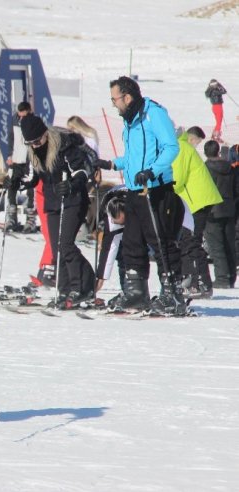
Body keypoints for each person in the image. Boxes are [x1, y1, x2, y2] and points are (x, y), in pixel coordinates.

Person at [94, 76, 185, 315]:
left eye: (115, 99)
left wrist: (152, 171)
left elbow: (171, 147)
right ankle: (136, 292)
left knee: (159, 240)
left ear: (128, 96)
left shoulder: (153, 114)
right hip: (135, 190)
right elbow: (133, 157)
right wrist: (112, 164)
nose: (114, 104)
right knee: (132, 241)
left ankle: (172, 293)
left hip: (155, 189)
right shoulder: (130, 121)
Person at [19, 114, 95, 308]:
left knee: (66, 244)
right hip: (53, 202)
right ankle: (64, 289)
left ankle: (82, 286)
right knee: (56, 247)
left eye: (37, 141)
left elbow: (81, 171)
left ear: (45, 133)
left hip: (74, 200)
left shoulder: (64, 145)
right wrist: (18, 181)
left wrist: (71, 184)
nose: (35, 146)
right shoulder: (34, 151)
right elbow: (33, 176)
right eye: (30, 143)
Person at [172, 126, 222, 299]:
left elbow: (177, 178)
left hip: (197, 201)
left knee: (191, 241)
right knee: (188, 240)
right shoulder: (181, 145)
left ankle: (201, 283)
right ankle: (193, 280)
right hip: (196, 200)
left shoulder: (180, 148)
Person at [203, 140, 236, 289]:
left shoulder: (206, 169)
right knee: (229, 243)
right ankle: (231, 276)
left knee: (216, 245)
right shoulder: (230, 167)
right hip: (229, 208)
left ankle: (222, 278)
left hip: (213, 210)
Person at [4, 102, 36, 233]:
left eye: (24, 113)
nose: (21, 115)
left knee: (29, 189)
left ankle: (30, 219)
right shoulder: (14, 120)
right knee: (12, 186)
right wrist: (9, 155)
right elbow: (11, 139)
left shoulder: (34, 122)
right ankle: (12, 218)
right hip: (16, 159)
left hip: (28, 160)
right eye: (19, 113)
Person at [95, 186, 127, 302]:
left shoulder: (137, 207)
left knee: (134, 251)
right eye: (115, 220)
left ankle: (135, 292)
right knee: (121, 253)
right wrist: (101, 277)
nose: (115, 222)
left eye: (120, 220)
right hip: (113, 198)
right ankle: (127, 290)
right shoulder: (107, 215)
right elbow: (108, 248)